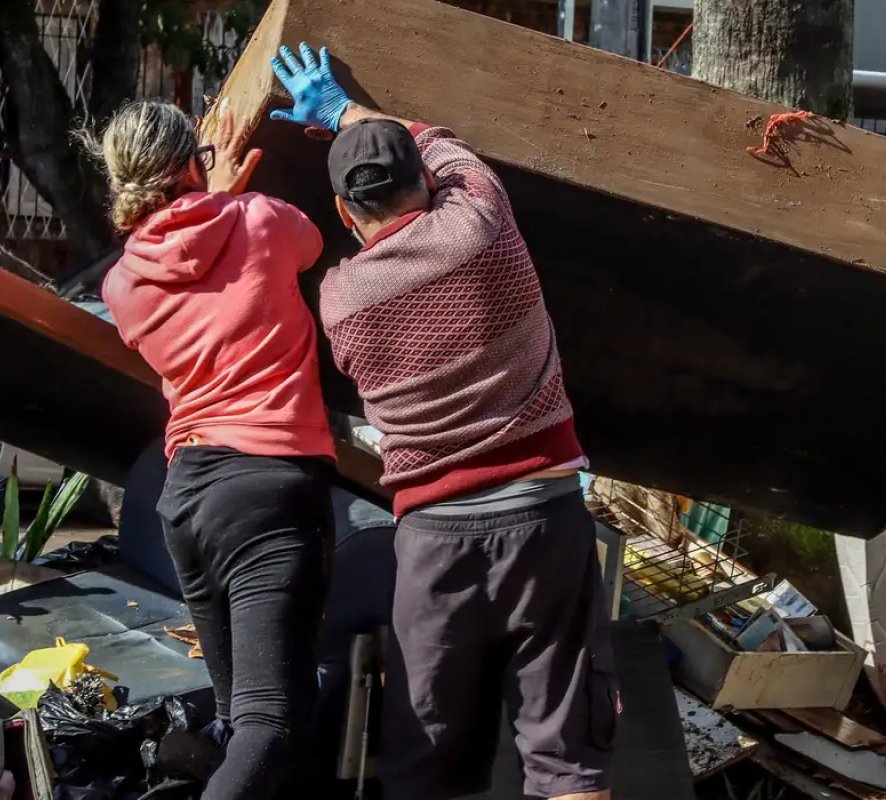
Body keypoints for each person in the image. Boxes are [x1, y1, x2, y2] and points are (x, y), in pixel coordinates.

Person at [271, 43, 616, 800]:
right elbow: (447, 147)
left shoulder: (342, 299)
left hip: (431, 543)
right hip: (544, 519)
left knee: (425, 766)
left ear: (342, 214)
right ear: (426, 184)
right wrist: (345, 111)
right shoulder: (481, 226)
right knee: (568, 759)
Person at [95, 100, 336, 800]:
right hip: (266, 489)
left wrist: (210, 194)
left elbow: (188, 255)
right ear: (191, 162)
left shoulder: (122, 285)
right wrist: (225, 194)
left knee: (238, 718)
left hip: (189, 497)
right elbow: (312, 245)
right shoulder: (259, 220)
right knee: (273, 723)